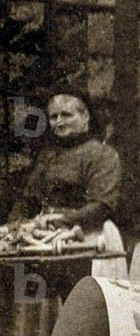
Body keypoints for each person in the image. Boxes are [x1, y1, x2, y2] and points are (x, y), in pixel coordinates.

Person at [7, 92, 121, 231]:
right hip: (44, 232)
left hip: (87, 235)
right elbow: (27, 201)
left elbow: (101, 206)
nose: (59, 123)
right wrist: (14, 226)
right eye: (53, 117)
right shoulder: (47, 155)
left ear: (86, 117)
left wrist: (56, 222)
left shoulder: (103, 154)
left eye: (66, 115)